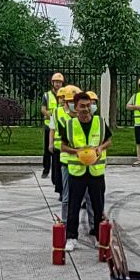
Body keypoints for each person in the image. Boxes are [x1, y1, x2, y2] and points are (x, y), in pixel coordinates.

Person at [60, 88, 110, 240]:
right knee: (73, 206)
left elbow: (109, 141)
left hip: (96, 171)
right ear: (76, 107)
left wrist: (100, 148)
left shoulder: (99, 122)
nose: (86, 109)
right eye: (82, 106)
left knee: (98, 206)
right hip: (77, 171)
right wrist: (76, 151)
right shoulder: (70, 125)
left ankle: (99, 237)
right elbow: (63, 147)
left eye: (89, 105)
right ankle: (71, 237)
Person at [42, 71, 64, 180]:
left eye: (59, 82)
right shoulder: (47, 95)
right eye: (56, 82)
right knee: (47, 149)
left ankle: (56, 172)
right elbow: (43, 109)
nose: (58, 84)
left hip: (60, 125)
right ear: (52, 82)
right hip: (48, 126)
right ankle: (46, 170)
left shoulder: (65, 95)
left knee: (57, 151)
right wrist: (51, 115)